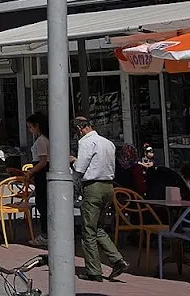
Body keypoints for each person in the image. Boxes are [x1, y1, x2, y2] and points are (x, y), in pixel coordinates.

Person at [71, 116, 128, 281]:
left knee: (88, 230)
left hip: (93, 187)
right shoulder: (108, 143)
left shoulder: (85, 143)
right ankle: (117, 259)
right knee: (99, 228)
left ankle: (94, 271)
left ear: (80, 130)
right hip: (108, 187)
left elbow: (80, 167)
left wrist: (73, 160)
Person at [25, 113, 50, 247]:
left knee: (42, 202)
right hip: (44, 172)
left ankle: (45, 234)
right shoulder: (47, 139)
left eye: (30, 127)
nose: (30, 130)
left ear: (37, 126)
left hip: (41, 172)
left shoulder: (41, 140)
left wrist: (31, 171)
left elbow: (43, 161)